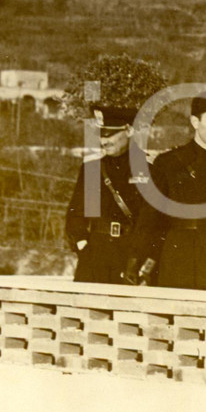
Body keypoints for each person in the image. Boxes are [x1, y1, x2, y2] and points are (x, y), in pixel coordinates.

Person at [126, 92, 206, 291]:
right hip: (177, 255)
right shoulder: (169, 162)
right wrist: (136, 257)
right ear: (195, 122)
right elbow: (151, 216)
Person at [65, 104, 152, 284]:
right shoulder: (93, 170)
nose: (103, 141)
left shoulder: (148, 171)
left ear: (128, 131)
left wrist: (138, 261)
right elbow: (76, 215)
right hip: (94, 256)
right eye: (100, 135)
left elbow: (151, 223)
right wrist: (83, 247)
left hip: (130, 259)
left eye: (109, 134)